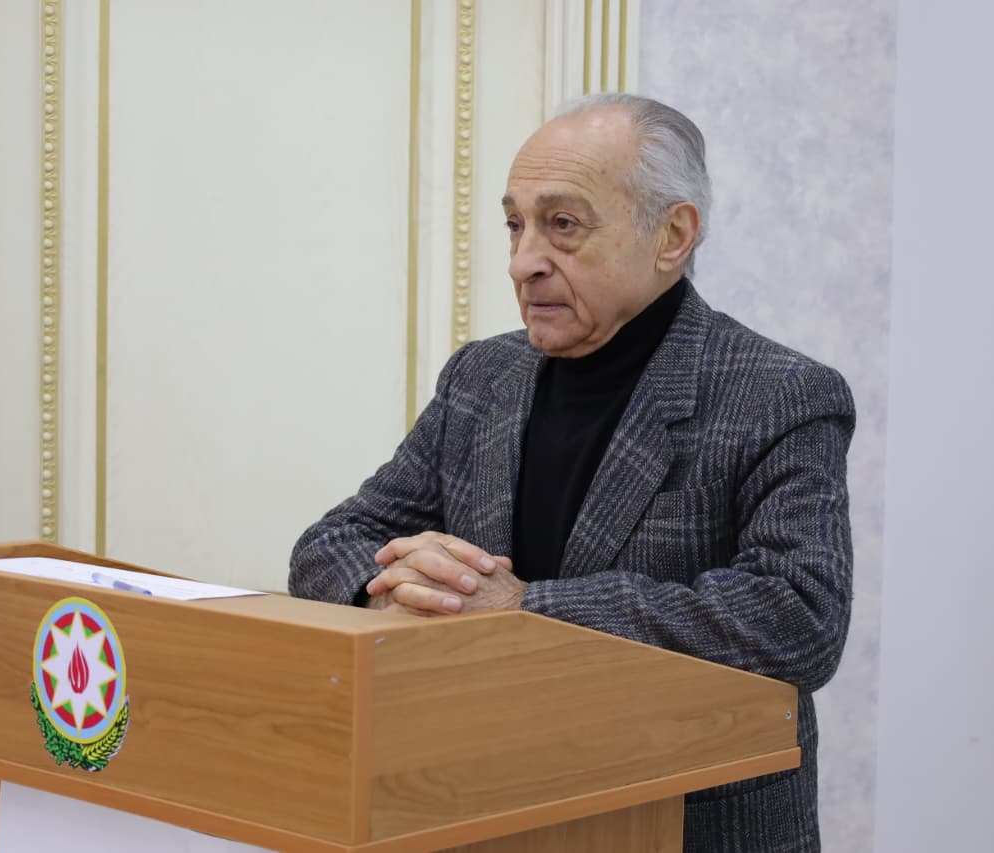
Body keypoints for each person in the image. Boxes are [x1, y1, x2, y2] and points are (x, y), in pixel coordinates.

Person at [289, 92, 854, 853]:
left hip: (685, 823)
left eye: (562, 224)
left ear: (672, 235)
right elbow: (331, 542)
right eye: (514, 225)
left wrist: (526, 609)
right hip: (481, 807)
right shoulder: (482, 377)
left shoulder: (779, 393)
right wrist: (399, 589)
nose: (523, 261)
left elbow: (799, 618)